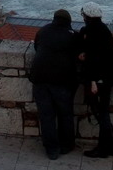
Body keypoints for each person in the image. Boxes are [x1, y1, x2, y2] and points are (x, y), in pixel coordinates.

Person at [30, 8, 81, 160]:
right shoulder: (72, 36)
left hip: (40, 78)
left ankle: (51, 149)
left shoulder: (43, 31)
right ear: (68, 22)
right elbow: (78, 56)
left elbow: (37, 47)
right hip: (62, 80)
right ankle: (66, 145)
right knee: (65, 113)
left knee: (47, 115)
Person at [78, 2, 113, 158]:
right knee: (104, 113)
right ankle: (111, 147)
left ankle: (104, 149)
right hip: (107, 77)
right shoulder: (104, 30)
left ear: (87, 16)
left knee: (101, 114)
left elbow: (94, 58)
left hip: (97, 79)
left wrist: (93, 81)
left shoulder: (91, 32)